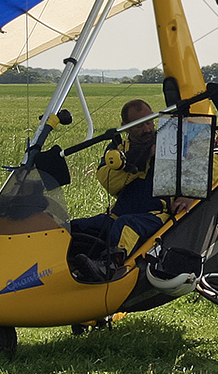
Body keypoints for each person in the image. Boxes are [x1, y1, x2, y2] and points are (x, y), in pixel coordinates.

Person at [68, 99, 169, 283]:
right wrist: (139, 160)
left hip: (156, 214)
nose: (147, 129)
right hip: (119, 213)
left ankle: (109, 267)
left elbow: (211, 164)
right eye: (139, 126)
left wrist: (188, 197)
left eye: (149, 122)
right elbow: (108, 182)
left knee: (126, 225)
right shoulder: (117, 150)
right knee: (74, 228)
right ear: (126, 127)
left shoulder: (169, 143)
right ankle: (65, 267)